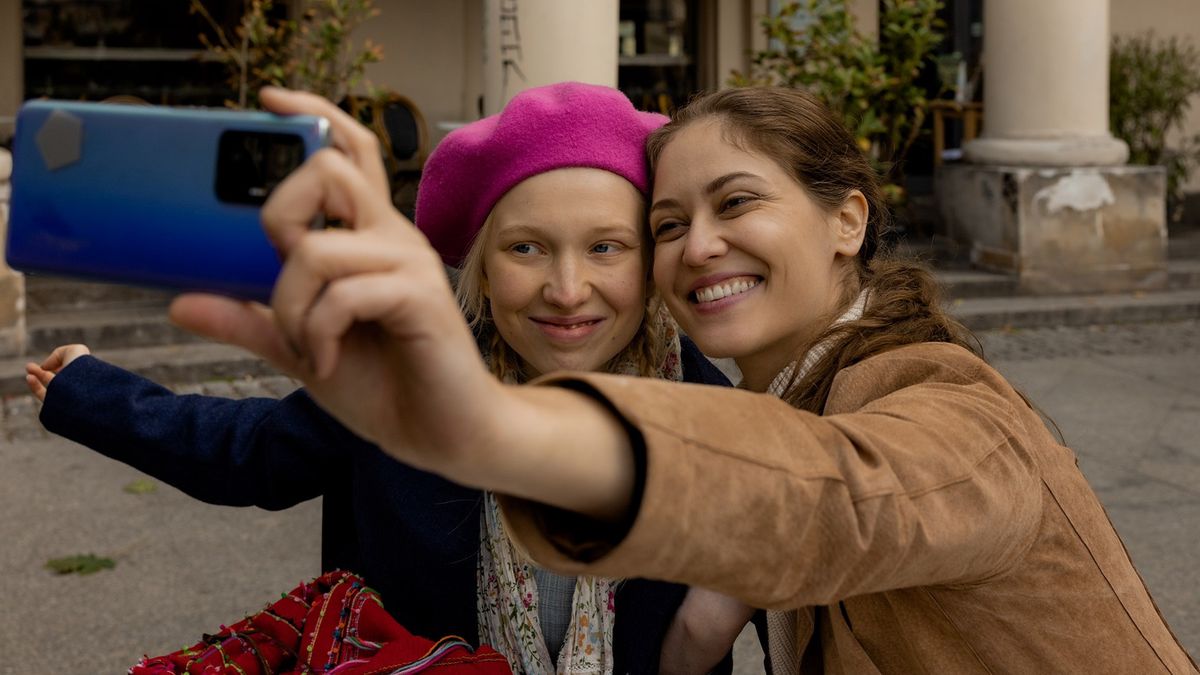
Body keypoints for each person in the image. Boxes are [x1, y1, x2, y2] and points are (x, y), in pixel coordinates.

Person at [177, 84, 1199, 674]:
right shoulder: (789, 395)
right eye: (669, 223)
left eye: (737, 202)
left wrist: (488, 427)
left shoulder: (947, 404)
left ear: (848, 219)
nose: (699, 246)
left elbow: (842, 496)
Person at [26, 83, 737, 674]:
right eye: (527, 247)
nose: (567, 287)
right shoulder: (405, 377)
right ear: (484, 269)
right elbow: (251, 452)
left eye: (606, 247)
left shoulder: (720, 420)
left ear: (649, 261)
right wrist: (88, 390)